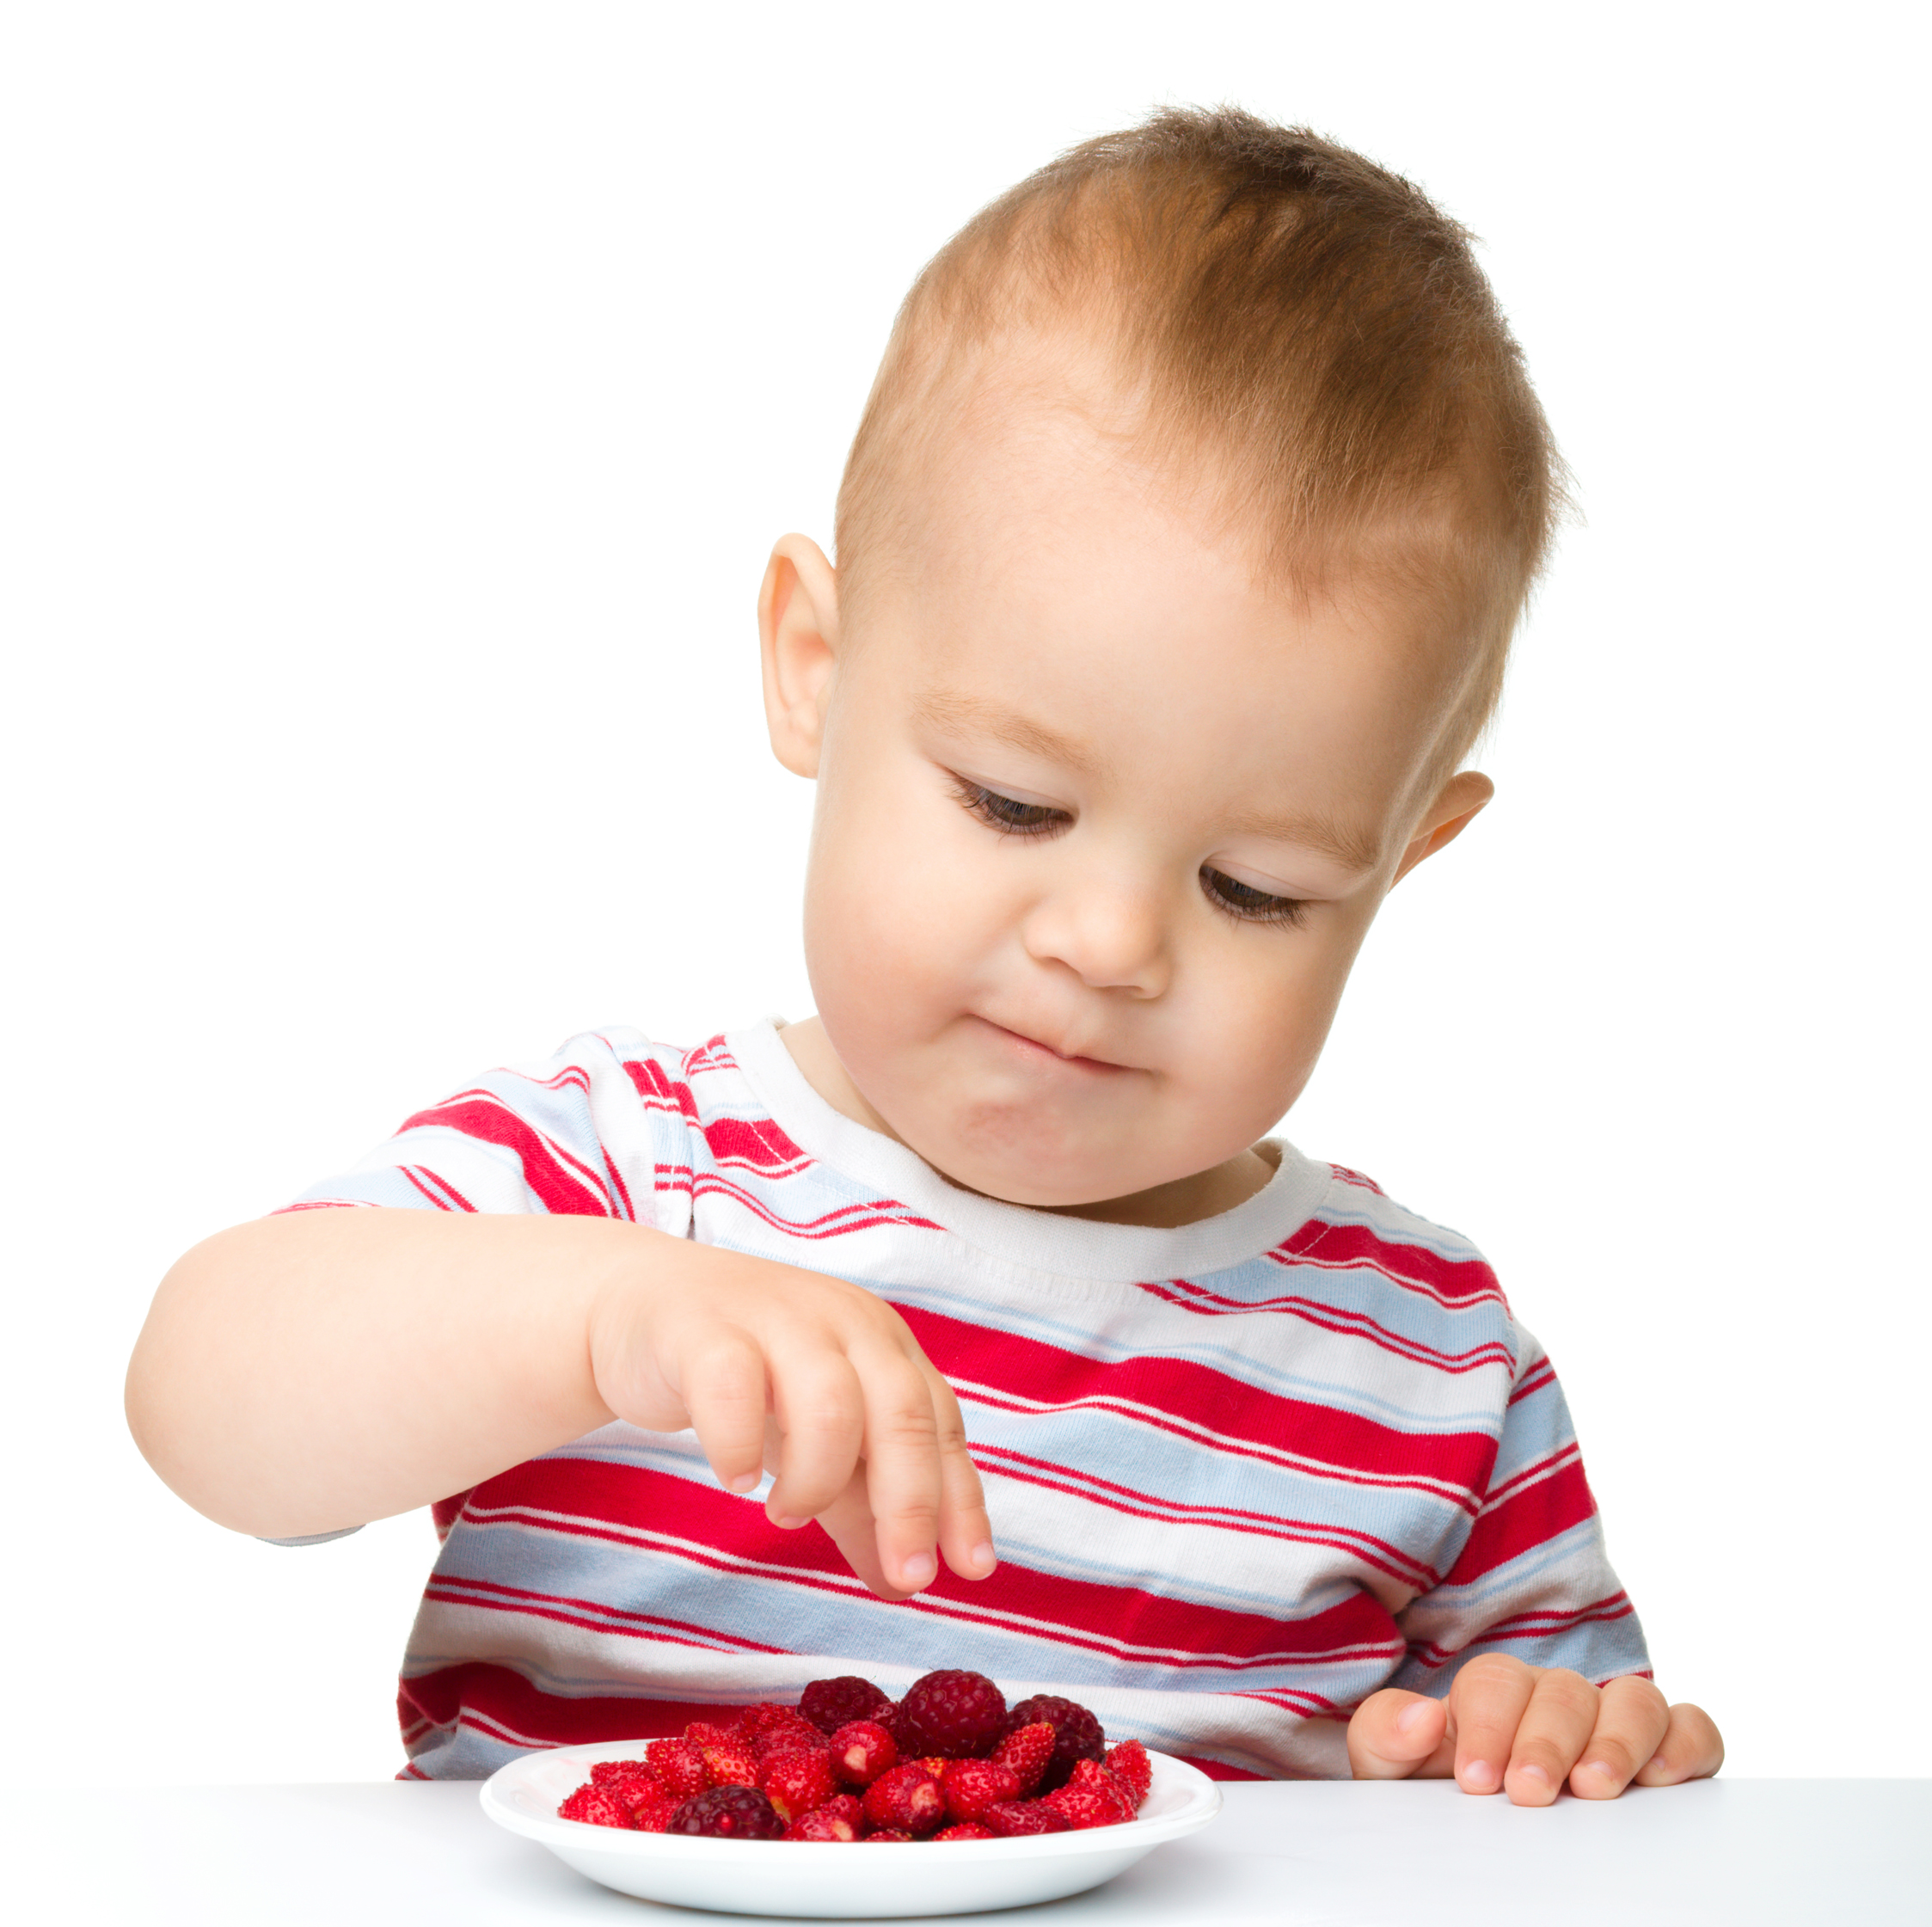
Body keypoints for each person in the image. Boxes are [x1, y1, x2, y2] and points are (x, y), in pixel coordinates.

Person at [126, 107, 1721, 1799]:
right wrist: (605, 1323)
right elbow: (205, 1408)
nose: (1106, 943)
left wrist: (1549, 1741)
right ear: (815, 666)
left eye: (1252, 887)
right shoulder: (628, 1170)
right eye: (1013, 803)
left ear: (1402, 856)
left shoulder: (1429, 1360)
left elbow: (1583, 1792)